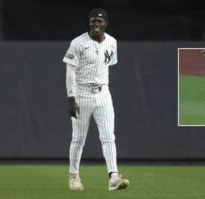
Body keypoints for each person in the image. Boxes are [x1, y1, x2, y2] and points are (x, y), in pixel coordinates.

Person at [62, 8, 129, 191]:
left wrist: (104, 89)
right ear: (89, 23)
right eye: (93, 21)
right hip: (82, 93)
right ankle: (73, 176)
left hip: (103, 93)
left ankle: (113, 177)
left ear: (105, 23)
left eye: (99, 21)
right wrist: (71, 98)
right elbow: (70, 71)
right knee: (78, 139)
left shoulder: (112, 42)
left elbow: (108, 66)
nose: (96, 24)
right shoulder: (78, 43)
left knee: (108, 137)